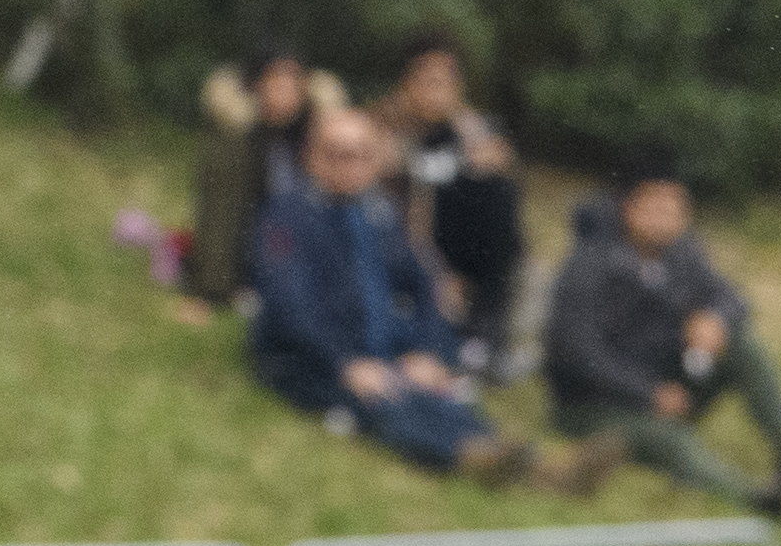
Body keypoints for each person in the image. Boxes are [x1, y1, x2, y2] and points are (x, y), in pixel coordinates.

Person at [244, 109, 566, 485]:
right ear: (313, 157)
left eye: (363, 155)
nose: (353, 166)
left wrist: (428, 350)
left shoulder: (380, 213)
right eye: (339, 155)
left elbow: (424, 284)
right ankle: (479, 463)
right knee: (387, 405)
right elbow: (291, 307)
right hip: (306, 358)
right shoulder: (286, 217)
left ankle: (536, 468)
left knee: (442, 397)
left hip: (382, 350)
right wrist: (344, 363)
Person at [541, 167, 781, 518]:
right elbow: (576, 354)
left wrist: (714, 319)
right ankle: (759, 500)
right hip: (594, 403)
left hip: (667, 381)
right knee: (671, 440)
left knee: (740, 347)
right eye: (657, 209)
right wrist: (648, 392)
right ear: (629, 209)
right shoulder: (588, 266)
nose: (667, 220)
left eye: (676, 211)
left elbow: (731, 297)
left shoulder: (681, 255)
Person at [378, 34, 528, 370]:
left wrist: (481, 147)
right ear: (407, 84)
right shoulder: (382, 124)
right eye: (428, 80)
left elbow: (498, 180)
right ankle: (462, 334)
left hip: (456, 252)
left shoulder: (470, 128)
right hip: (400, 244)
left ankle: (484, 337)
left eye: (447, 81)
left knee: (496, 190)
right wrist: (435, 271)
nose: (439, 90)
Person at [183, 45, 338, 320]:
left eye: (293, 84)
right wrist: (206, 293)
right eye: (276, 82)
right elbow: (220, 217)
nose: (285, 94)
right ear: (256, 87)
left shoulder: (317, 131)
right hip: (255, 253)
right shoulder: (235, 138)